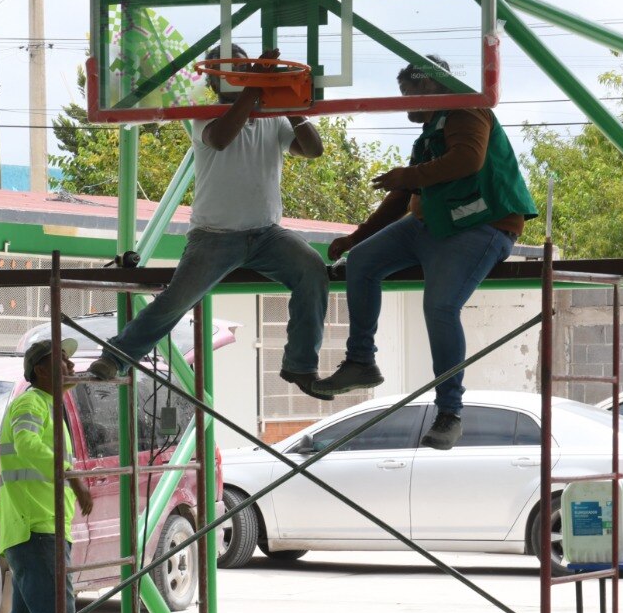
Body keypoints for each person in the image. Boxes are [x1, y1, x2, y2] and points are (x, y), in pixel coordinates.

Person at [315, 56, 537, 450]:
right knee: (362, 263)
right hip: (433, 223)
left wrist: (410, 175)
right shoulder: (429, 136)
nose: (404, 104)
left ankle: (450, 413)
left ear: (431, 87)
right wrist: (357, 238)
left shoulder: (467, 109)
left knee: (440, 306)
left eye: (408, 94)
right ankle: (361, 361)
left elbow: (469, 159)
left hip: (482, 225)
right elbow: (402, 197)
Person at [87, 46, 332, 400]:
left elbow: (313, 150)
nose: (241, 74)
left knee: (312, 270)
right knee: (176, 301)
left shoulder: (273, 118)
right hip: (214, 236)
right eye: (231, 70)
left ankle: (300, 365)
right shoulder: (207, 114)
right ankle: (116, 357)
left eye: (245, 67)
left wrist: (291, 107)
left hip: (266, 234)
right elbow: (220, 138)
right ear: (214, 81)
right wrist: (256, 87)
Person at [0, 337, 104, 613]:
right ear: (41, 369)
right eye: (63, 361)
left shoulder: (46, 407)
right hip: (36, 528)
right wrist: (74, 476)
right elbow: (27, 447)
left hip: (35, 527)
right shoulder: (30, 405)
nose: (72, 368)